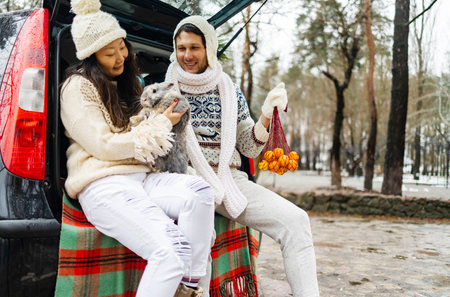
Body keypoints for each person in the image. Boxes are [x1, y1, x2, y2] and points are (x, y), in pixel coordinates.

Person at [60, 1, 213, 296]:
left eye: (122, 47)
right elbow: (103, 146)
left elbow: (138, 131)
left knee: (200, 193)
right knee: (172, 250)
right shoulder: (76, 88)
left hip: (142, 177)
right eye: (109, 53)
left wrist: (160, 118)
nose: (120, 57)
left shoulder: (126, 85)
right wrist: (160, 125)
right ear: (91, 56)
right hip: (103, 184)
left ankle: (189, 289)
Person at [165, 16, 320, 297]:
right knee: (199, 239)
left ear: (209, 49)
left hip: (229, 179)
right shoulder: (162, 90)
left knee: (297, 221)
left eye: (194, 48)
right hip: (185, 181)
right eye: (181, 48)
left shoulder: (228, 89)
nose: (187, 55)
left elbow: (249, 147)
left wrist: (265, 114)